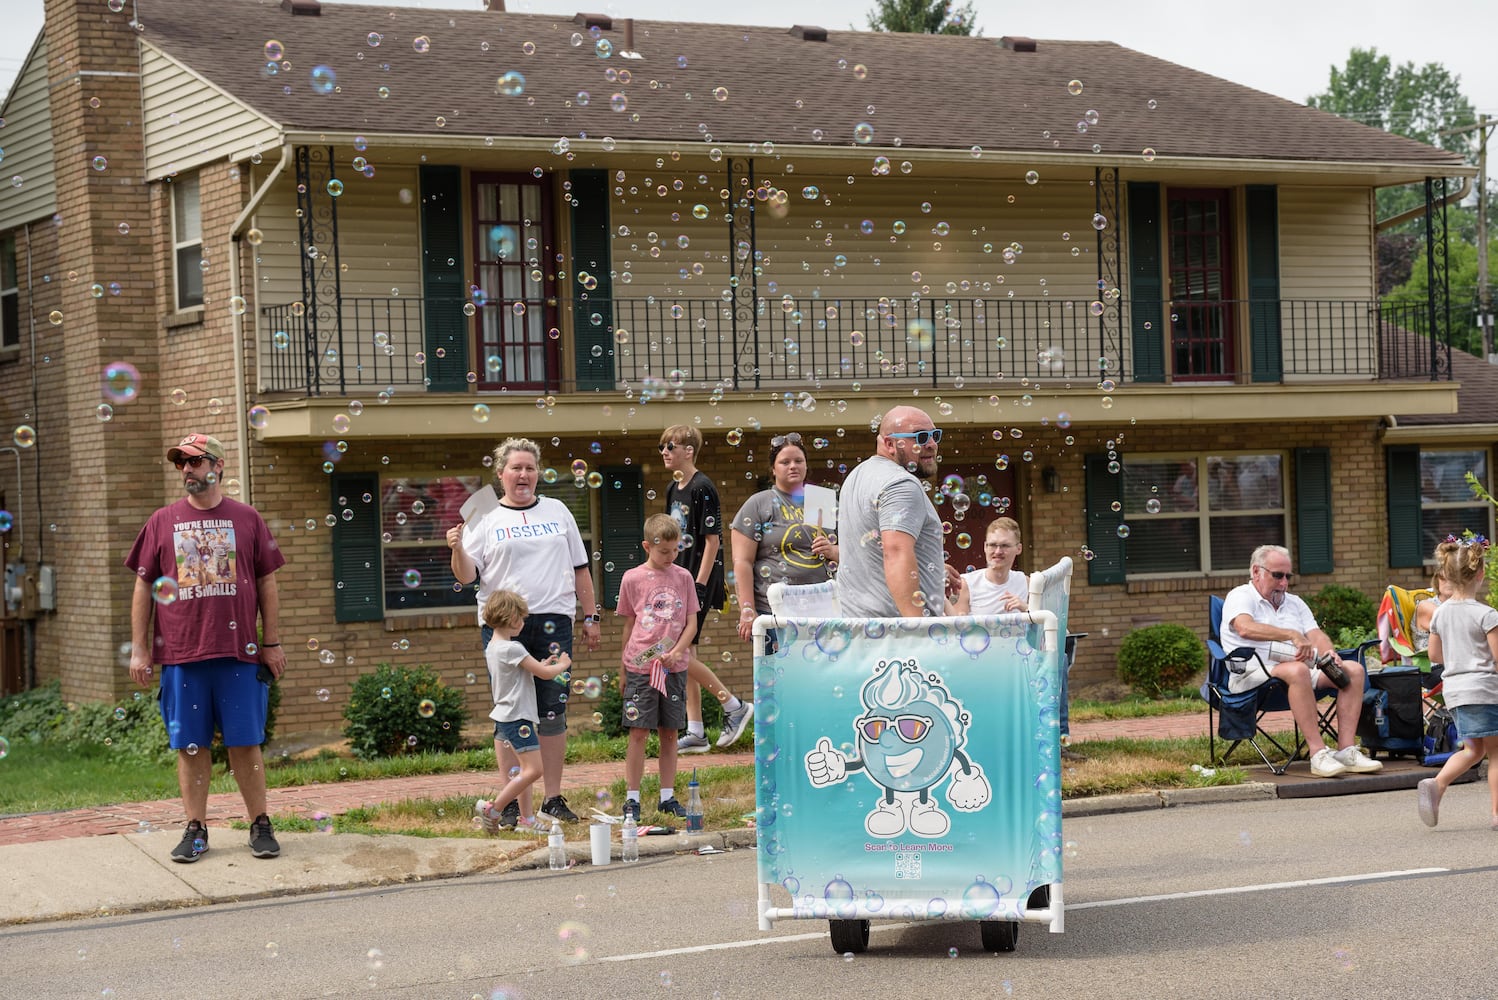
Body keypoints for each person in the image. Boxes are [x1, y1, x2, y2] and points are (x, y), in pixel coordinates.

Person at [125, 433, 288, 863]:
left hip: (238, 651)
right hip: (181, 655)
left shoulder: (248, 518)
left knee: (245, 744)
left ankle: (260, 824)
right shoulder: (161, 521)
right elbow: (143, 587)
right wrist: (140, 649)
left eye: (194, 462)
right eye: (181, 463)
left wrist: (270, 641)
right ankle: (196, 829)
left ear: (217, 465)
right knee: (191, 747)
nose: (186, 470)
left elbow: (268, 583)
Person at [447, 437, 600, 826]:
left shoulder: (558, 509)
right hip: (503, 627)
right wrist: (456, 548)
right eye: (515, 468)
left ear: (538, 473)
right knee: (511, 713)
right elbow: (467, 576)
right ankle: (512, 801)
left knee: (552, 709)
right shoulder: (483, 518)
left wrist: (591, 615)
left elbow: (581, 568)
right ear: (500, 475)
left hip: (555, 620)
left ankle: (552, 798)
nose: (523, 474)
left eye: (530, 468)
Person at [1219, 544, 1382, 778]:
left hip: (1298, 670)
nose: (1284, 583)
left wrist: (1329, 653)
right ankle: (1317, 754)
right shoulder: (1240, 596)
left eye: (1287, 576)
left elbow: (1315, 635)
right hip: (1251, 674)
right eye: (1277, 575)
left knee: (1353, 670)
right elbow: (1245, 628)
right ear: (1256, 572)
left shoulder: (1294, 602)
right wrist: (1291, 634)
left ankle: (1346, 750)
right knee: (1297, 670)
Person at [658, 424, 753, 754]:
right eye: (662, 447)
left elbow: (712, 542)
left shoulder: (703, 487)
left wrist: (697, 586)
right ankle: (696, 729)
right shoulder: (675, 488)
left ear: (689, 450)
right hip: (680, 579)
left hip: (699, 580)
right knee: (687, 653)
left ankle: (733, 705)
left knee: (680, 652)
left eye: (671, 446)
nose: (665, 452)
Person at [616, 513, 700, 822]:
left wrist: (677, 651)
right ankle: (632, 799)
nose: (671, 556)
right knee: (638, 732)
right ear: (646, 546)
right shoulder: (632, 578)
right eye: (664, 551)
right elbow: (628, 625)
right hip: (641, 667)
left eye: (675, 550)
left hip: (674, 667)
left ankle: (667, 797)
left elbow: (691, 623)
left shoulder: (683, 577)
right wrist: (623, 668)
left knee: (669, 733)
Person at [836, 406, 955, 618]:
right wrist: (917, 629)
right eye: (920, 437)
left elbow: (871, 551)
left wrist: (933, 568)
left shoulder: (857, 476)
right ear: (890, 444)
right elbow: (896, 553)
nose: (931, 444)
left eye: (935, 435)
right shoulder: (901, 484)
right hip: (896, 637)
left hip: (860, 629)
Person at [475, 589, 573, 835]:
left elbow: (527, 669)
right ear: (509, 618)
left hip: (507, 716)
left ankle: (527, 819)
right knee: (534, 770)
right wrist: (561, 665)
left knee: (522, 772)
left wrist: (543, 664)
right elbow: (544, 675)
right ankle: (493, 808)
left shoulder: (495, 647)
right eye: (520, 617)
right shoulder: (514, 648)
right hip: (519, 716)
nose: (524, 621)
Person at [1417, 536, 1498, 829]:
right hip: (1486, 689)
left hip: (1456, 691)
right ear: (1480, 574)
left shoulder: (1440, 614)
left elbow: (1435, 654)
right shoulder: (1487, 615)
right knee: (1496, 753)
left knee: (1473, 750)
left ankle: (1437, 785)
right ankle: (1496, 813)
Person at [731, 432, 838, 653]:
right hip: (773, 611)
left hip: (820, 607)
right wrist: (747, 609)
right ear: (773, 468)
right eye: (785, 462)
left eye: (798, 461)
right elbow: (742, 561)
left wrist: (834, 551)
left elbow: (854, 551)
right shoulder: (759, 504)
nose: (793, 466)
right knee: (778, 682)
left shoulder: (821, 500)